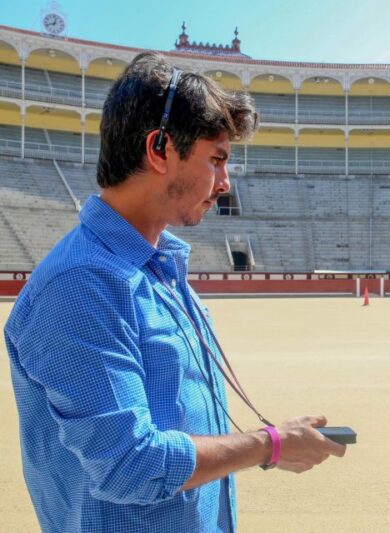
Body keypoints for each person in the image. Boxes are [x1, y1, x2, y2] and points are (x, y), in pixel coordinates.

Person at [3, 53, 345, 533]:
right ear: (160, 149)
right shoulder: (82, 284)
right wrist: (270, 444)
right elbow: (130, 465)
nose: (226, 183)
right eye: (217, 158)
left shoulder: (153, 266)